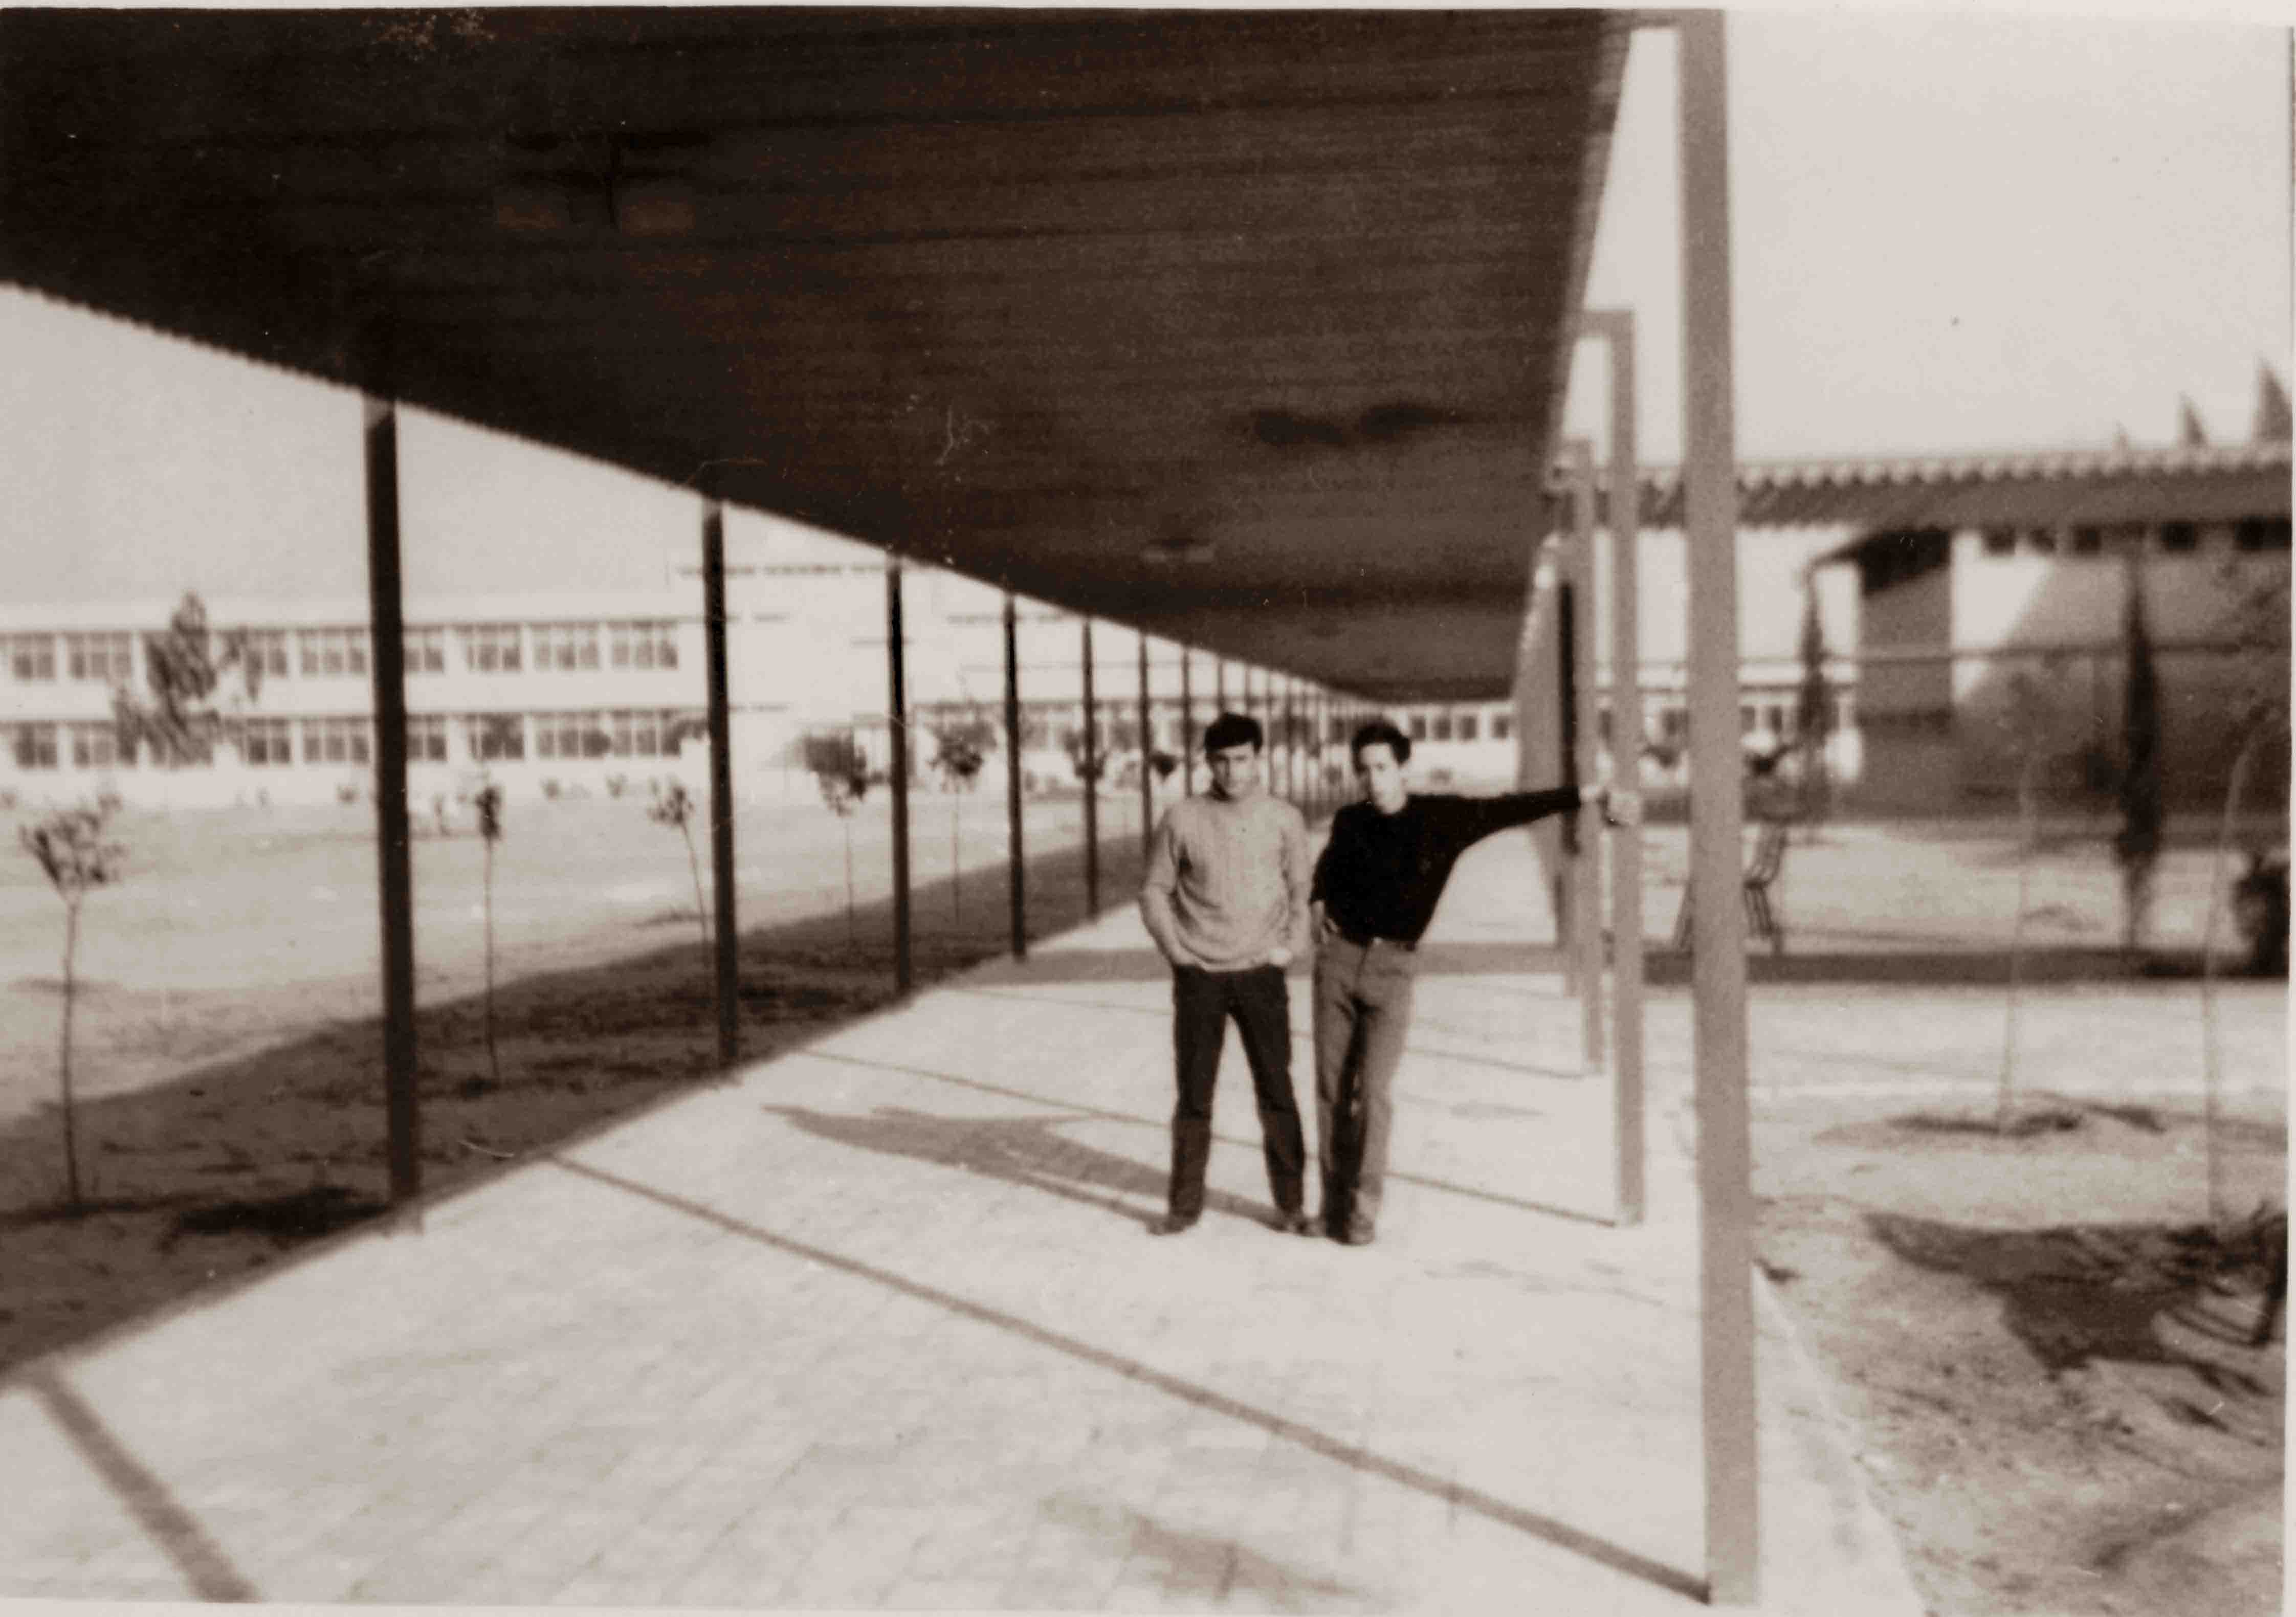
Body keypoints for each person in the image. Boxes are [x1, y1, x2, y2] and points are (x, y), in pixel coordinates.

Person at [1310, 718, 1637, 1245]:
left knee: (1373, 1093)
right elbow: (1328, 867)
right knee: (1330, 1091)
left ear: (1403, 768)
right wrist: (1316, 899)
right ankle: (1330, 1208)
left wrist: (1590, 792)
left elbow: (1513, 807)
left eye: (1382, 768)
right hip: (1339, 963)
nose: (1373, 780)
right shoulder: (1350, 820)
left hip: (1393, 970)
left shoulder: (1442, 818)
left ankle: (1362, 1211)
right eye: (1364, 770)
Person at [1139, 712, 1315, 1237]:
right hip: (1200, 976)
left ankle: (1290, 1204)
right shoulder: (1182, 818)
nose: (1232, 770)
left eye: (1241, 759)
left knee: (1277, 1089)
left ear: (1258, 758)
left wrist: (1290, 947)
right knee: (1195, 1095)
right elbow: (1154, 890)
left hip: (1262, 973)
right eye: (1221, 760)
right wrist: (1177, 953)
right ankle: (1183, 1207)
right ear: (1207, 762)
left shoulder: (1284, 818)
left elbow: (1302, 890)